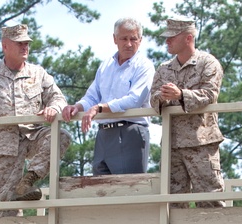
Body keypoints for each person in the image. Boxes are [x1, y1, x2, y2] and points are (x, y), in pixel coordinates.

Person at [0, 24, 70, 212]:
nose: (24, 47)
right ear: (5, 46)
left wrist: (52, 108)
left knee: (61, 135)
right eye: (19, 43)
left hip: (32, 135)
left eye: (26, 43)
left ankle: (29, 179)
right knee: (8, 202)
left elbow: (58, 98)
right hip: (1, 143)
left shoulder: (38, 73)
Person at [61, 18, 154, 174]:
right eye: (124, 38)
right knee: (101, 191)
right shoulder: (106, 66)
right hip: (103, 134)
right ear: (114, 39)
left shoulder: (144, 66)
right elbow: (92, 96)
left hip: (130, 132)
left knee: (128, 191)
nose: (129, 44)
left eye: (133, 39)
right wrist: (77, 106)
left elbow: (134, 99)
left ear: (141, 40)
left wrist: (99, 108)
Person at [150, 17, 225, 209]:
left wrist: (181, 94)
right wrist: (163, 98)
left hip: (201, 143)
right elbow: (153, 99)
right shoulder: (163, 69)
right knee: (172, 203)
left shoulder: (208, 63)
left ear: (188, 38)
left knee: (210, 198)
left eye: (172, 37)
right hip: (172, 144)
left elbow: (210, 94)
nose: (167, 41)